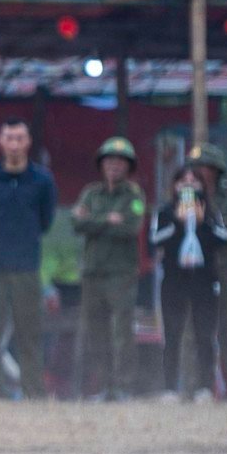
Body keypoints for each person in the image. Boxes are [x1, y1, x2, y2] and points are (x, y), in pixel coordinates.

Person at [0, 118, 56, 400]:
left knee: (29, 332)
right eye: (9, 138)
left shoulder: (42, 180)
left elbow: (46, 221)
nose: (14, 144)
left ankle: (33, 390)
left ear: (28, 142)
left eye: (19, 138)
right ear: (0, 141)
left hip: (26, 265)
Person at [70, 137, 146, 401]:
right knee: (95, 332)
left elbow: (130, 227)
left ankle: (123, 386)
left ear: (128, 166)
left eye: (119, 162)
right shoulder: (91, 193)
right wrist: (107, 220)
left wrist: (93, 221)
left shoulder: (133, 195)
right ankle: (100, 386)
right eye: (109, 161)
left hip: (121, 274)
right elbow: (76, 224)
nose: (113, 166)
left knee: (121, 331)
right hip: (93, 273)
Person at [150, 166, 225, 400]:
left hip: (203, 280)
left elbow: (224, 238)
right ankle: (170, 388)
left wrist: (203, 222)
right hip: (174, 280)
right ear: (175, 186)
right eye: (183, 180)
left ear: (203, 186)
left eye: (195, 180)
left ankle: (205, 387)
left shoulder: (211, 212)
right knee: (172, 335)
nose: (189, 184)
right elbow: (155, 240)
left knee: (205, 334)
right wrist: (177, 222)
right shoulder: (165, 211)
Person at [185, 143, 227, 400]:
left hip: (225, 270)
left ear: (215, 170)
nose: (199, 172)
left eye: (204, 167)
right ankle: (194, 388)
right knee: (193, 331)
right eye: (195, 168)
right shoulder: (186, 193)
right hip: (196, 272)